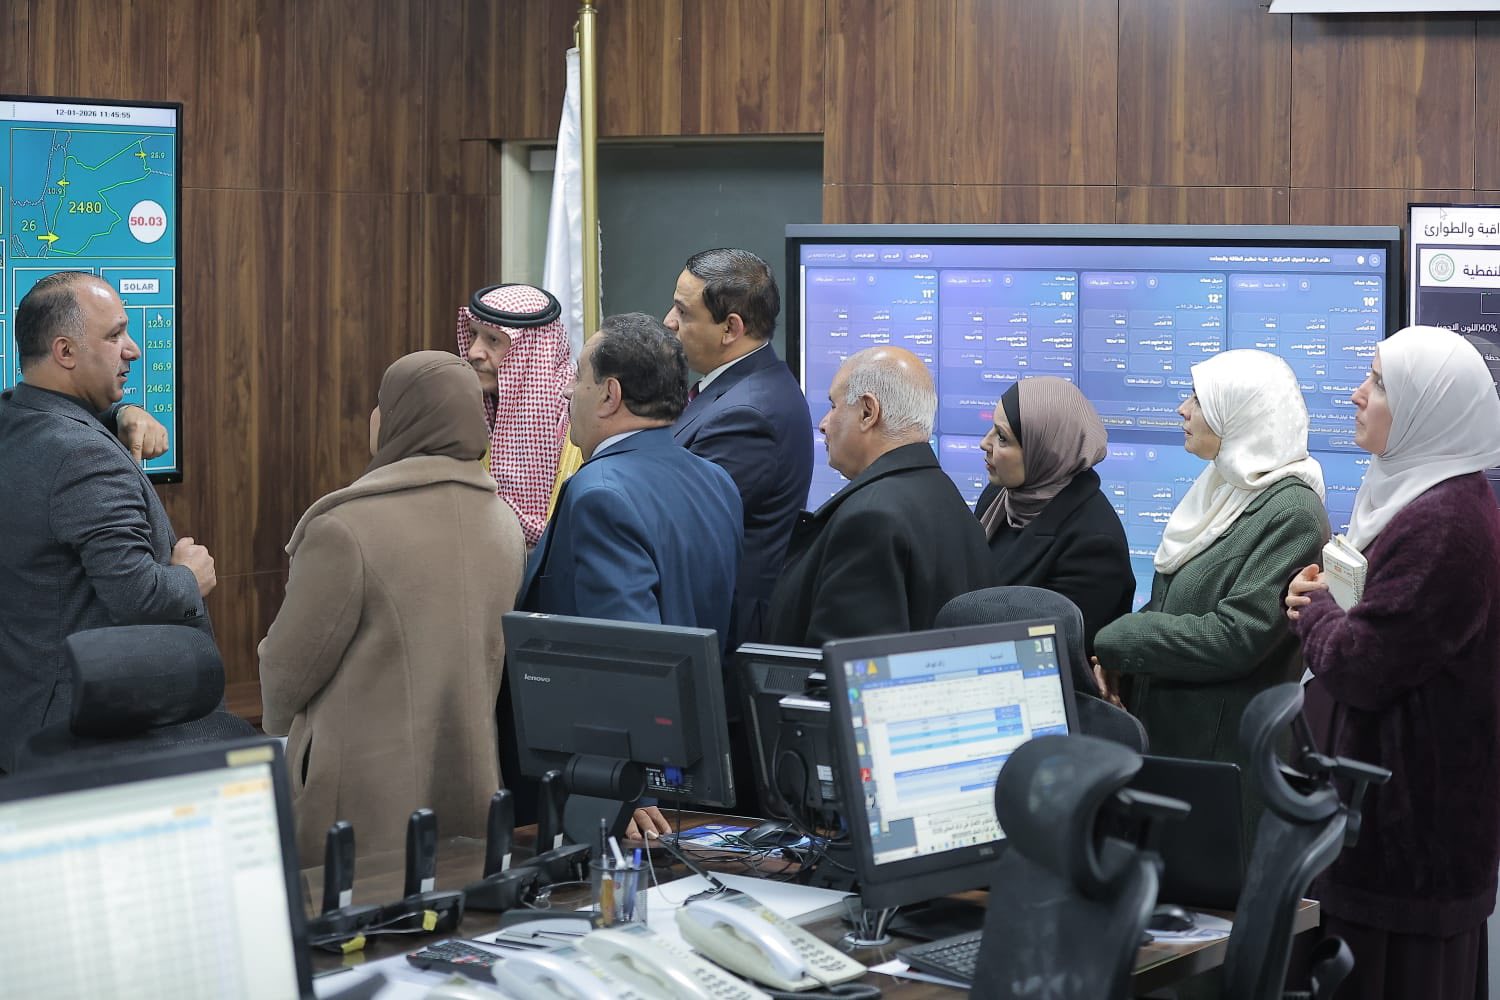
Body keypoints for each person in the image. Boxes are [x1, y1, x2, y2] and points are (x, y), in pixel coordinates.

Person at [1284, 326, 1500, 1000]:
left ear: (1426, 408)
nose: (1357, 394)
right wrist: (1322, 598)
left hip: (1405, 845)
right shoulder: (1418, 494)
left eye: (1377, 382)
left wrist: (1314, 610)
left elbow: (1361, 664)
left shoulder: (1444, 523)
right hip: (1384, 825)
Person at [259, 351, 525, 863]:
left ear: (404, 415)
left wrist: (277, 722)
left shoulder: (346, 527)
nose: (374, 415)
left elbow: (287, 671)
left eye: (383, 402)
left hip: (358, 807)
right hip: (470, 792)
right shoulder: (504, 525)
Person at [519, 312, 742, 840]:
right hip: (689, 773)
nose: (566, 391)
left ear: (609, 395)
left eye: (579, 377)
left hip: (617, 794)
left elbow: (628, 653)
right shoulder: (717, 482)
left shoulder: (598, 491)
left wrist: (633, 792)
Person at [1093, 350, 1328, 836]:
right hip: (1177, 745)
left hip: (1221, 765)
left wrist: (1121, 638)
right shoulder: (1225, 486)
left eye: (1199, 400)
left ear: (1241, 414)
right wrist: (1125, 661)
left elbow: (1235, 637)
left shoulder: (1293, 512)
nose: (1183, 409)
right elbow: (1176, 599)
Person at [0, 271, 214, 774]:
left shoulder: (14, 416)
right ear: (65, 352)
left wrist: (124, 413)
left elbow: (60, 418)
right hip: (90, 732)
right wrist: (189, 576)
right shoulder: (82, 456)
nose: (133, 350)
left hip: (26, 714)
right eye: (115, 334)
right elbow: (139, 597)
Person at [765, 346, 995, 646]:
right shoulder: (949, 499)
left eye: (833, 406)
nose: (823, 424)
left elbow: (847, 664)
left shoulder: (869, 519)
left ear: (867, 412)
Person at [665, 248, 813, 648]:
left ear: (730, 328)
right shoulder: (739, 389)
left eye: (683, 312)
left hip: (720, 639)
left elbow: (677, 526)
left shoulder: (748, 416)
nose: (669, 322)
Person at [974, 376, 1133, 655]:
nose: (984, 443)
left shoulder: (1094, 543)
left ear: (1045, 450)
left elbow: (1061, 650)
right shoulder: (999, 497)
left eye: (1002, 437)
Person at [455, 283, 574, 547]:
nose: (473, 352)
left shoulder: (575, 417)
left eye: (493, 340)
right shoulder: (469, 411)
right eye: (473, 334)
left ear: (532, 350)